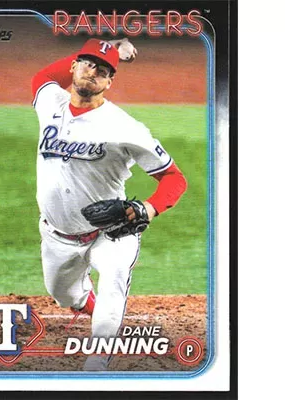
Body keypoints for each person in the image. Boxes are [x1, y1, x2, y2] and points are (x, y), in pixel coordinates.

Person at [31, 38, 187, 371]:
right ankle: (87, 304)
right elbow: (43, 77)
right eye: (88, 64)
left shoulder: (124, 126)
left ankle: (98, 362)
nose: (93, 72)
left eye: (103, 70)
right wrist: (111, 46)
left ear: (110, 82)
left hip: (112, 231)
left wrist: (147, 209)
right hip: (58, 235)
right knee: (64, 295)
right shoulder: (49, 101)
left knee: (114, 279)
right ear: (73, 66)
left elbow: (174, 178)